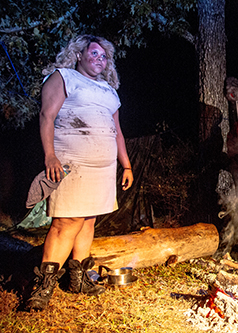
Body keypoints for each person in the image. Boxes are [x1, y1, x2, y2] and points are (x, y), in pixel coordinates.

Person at [25, 35, 134, 311]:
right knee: (66, 222)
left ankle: (79, 278)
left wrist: (127, 165)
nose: (99, 59)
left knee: (88, 220)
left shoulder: (110, 91)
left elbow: (117, 132)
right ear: (78, 55)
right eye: (94, 53)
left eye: (104, 56)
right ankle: (43, 286)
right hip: (73, 162)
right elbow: (46, 116)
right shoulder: (64, 77)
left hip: (103, 167)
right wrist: (50, 155)